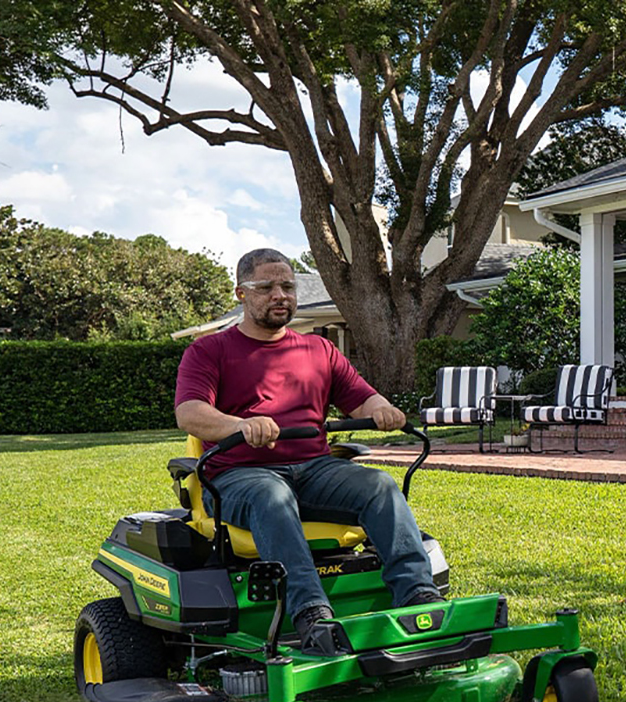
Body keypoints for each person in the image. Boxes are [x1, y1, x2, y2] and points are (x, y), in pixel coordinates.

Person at [174, 248, 441, 650]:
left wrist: (383, 410)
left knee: (380, 486)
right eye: (266, 287)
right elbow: (190, 412)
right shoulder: (209, 351)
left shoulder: (319, 351)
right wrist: (241, 425)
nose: (280, 295)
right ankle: (311, 613)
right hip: (238, 476)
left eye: (287, 286)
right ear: (241, 295)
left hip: (314, 469)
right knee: (272, 495)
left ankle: (419, 597)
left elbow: (361, 399)